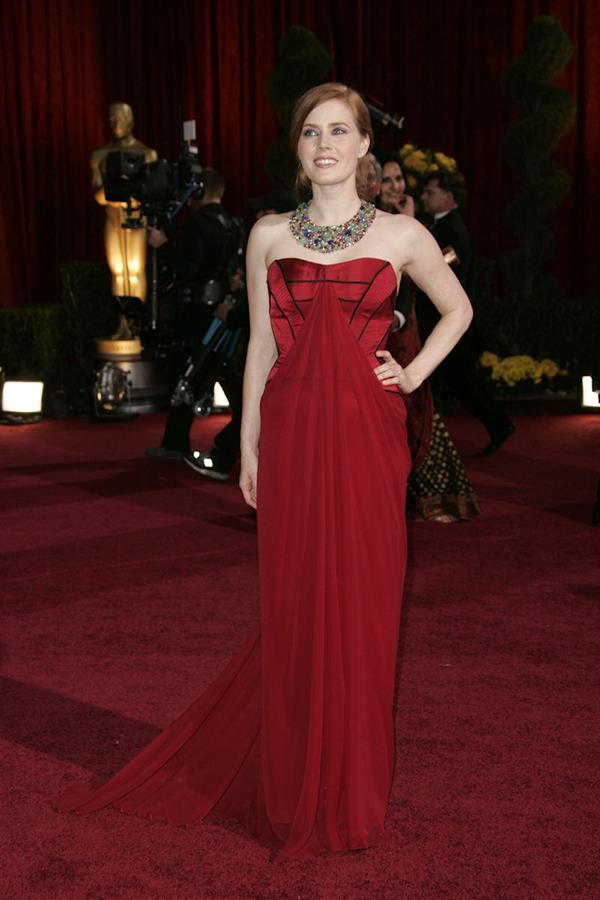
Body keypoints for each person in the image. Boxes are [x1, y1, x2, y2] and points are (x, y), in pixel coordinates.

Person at [57, 83, 472, 861]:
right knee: (296, 605)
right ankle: (293, 780)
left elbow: (460, 311)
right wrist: (246, 445)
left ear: (362, 147)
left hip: (367, 435)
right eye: (311, 132)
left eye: (339, 130)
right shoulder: (268, 234)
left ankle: (349, 786)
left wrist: (413, 381)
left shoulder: (402, 234)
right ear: (299, 147)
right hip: (291, 433)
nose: (324, 144)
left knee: (367, 605)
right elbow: (259, 346)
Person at [184, 191, 295, 481]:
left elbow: (270, 304)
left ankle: (224, 458)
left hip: (274, 351)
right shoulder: (262, 243)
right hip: (256, 346)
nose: (257, 218)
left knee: (257, 408)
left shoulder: (286, 248)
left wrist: (232, 315)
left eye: (263, 211)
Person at [144, 168, 244, 461]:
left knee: (186, 374)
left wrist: (163, 247)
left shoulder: (196, 223)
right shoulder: (234, 223)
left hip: (196, 311)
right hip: (225, 311)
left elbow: (188, 268)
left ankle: (175, 443)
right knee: (226, 375)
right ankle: (242, 430)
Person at [417, 170, 515, 455]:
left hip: (445, 320)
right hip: (443, 319)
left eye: (431, 192)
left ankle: (428, 443)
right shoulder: (442, 226)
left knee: (450, 382)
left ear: (449, 197)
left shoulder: (451, 229)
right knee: (461, 383)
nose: (425, 196)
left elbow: (446, 268)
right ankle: (499, 424)